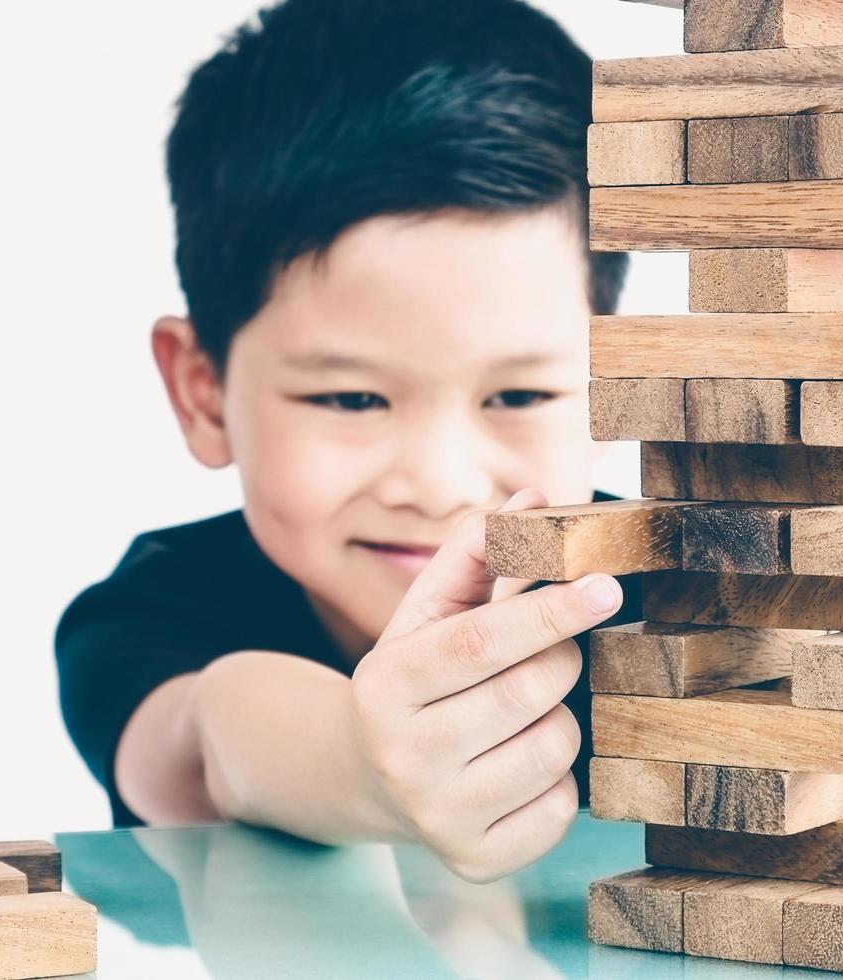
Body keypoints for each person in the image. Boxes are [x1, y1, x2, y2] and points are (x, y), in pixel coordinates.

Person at [56, 0, 643, 883]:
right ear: (203, 393)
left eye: (519, 392)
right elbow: (209, 738)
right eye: (352, 397)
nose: (441, 485)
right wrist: (365, 765)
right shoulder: (155, 614)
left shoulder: (693, 600)